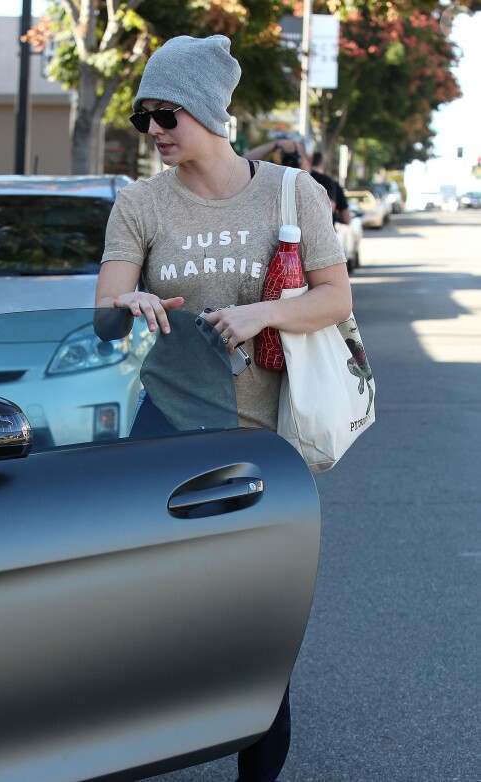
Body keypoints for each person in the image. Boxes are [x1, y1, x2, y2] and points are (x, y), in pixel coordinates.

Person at [96, 34, 351, 782]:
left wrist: (261, 313)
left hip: (267, 443)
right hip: (168, 434)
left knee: (260, 635)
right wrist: (128, 304)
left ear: (208, 110)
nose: (153, 130)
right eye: (143, 117)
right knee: (147, 619)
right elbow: (106, 311)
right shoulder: (141, 203)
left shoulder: (291, 193)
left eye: (165, 114)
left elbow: (334, 299)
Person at [311, 151, 351, 225]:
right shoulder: (330, 183)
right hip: (323, 229)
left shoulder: (297, 179)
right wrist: (335, 216)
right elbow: (346, 218)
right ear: (323, 166)